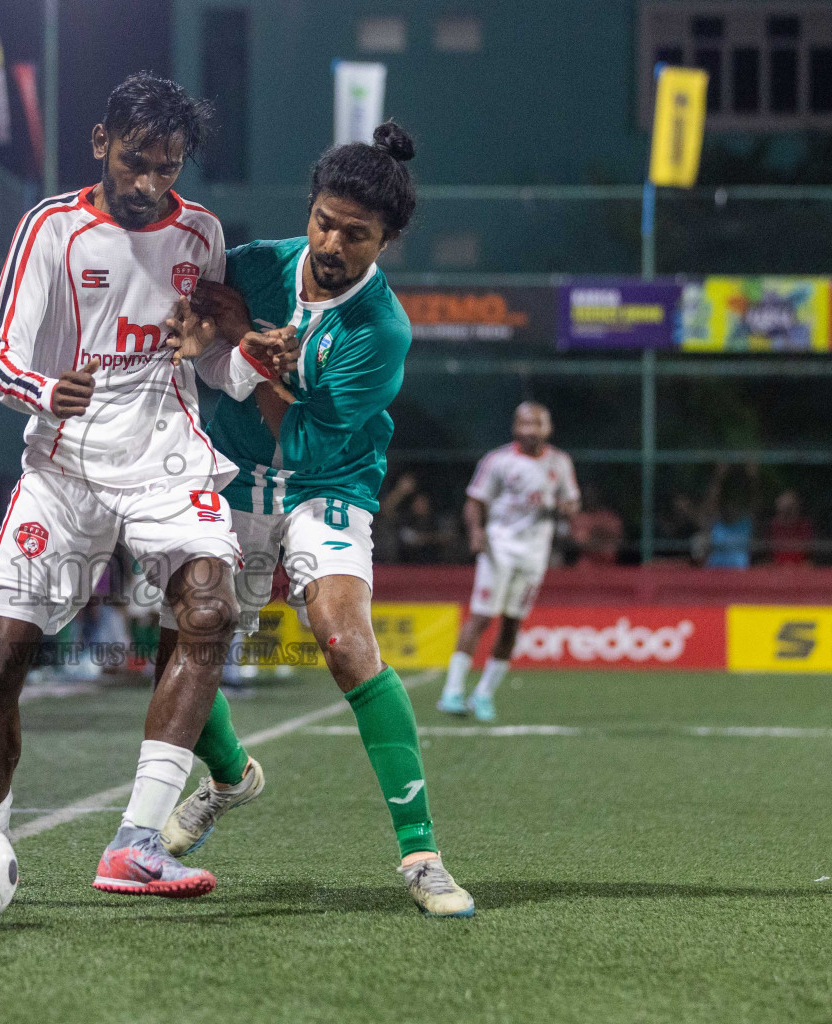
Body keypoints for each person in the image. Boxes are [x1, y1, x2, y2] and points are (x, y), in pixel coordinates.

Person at [163, 121, 475, 917]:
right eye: (324, 221)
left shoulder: (381, 331)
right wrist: (202, 330)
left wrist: (236, 336)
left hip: (324, 482)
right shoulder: (254, 266)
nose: (333, 242)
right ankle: (231, 776)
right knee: (178, 648)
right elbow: (186, 327)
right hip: (227, 479)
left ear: (388, 241)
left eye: (357, 234)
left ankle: (421, 856)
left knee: (342, 636)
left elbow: (301, 435)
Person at [0, 73, 246, 899]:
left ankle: (136, 843)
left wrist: (246, 355)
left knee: (211, 609)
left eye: (166, 167)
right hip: (65, 465)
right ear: (100, 143)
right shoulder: (51, 228)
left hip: (165, 454)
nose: (148, 183)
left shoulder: (202, 233)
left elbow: (211, 357)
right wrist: (48, 390)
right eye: (133, 162)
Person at [437, 403, 579, 723]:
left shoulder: (559, 462)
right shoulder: (498, 461)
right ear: (516, 428)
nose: (531, 430)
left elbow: (570, 500)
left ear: (548, 427)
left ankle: (484, 694)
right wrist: (476, 532)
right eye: (525, 423)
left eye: (537, 423)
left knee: (513, 623)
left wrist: (568, 507)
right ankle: (453, 690)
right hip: (499, 548)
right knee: (482, 617)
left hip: (534, 555)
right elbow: (475, 501)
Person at [701, 463, 759, 569]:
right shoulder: (716, 524)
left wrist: (752, 477)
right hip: (715, 574)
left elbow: (754, 503)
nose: (731, 508)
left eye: (735, 505)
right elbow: (710, 505)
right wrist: (719, 476)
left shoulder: (746, 524)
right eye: (728, 505)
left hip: (740, 577)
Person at [571, 487, 624, 566]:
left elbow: (618, 540)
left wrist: (593, 539)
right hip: (588, 561)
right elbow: (580, 541)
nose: (590, 498)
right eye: (587, 496)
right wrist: (601, 540)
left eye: (593, 495)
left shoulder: (609, 517)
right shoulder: (580, 518)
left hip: (611, 561)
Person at [766, 489, 814, 566]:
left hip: (800, 566)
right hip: (777, 567)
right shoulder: (773, 526)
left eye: (789, 508)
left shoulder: (804, 525)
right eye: (783, 510)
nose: (786, 513)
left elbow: (808, 552)